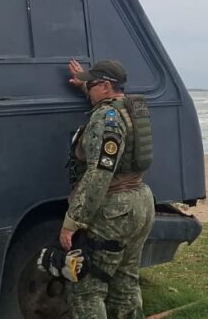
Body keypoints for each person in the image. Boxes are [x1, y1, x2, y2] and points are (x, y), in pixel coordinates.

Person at [60, 59, 155, 319]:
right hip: (141, 202)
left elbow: (100, 172)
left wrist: (74, 219)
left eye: (91, 85)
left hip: (114, 210)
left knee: (86, 287)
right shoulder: (131, 108)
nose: (88, 89)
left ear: (104, 86)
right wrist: (84, 84)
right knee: (125, 281)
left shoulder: (106, 117)